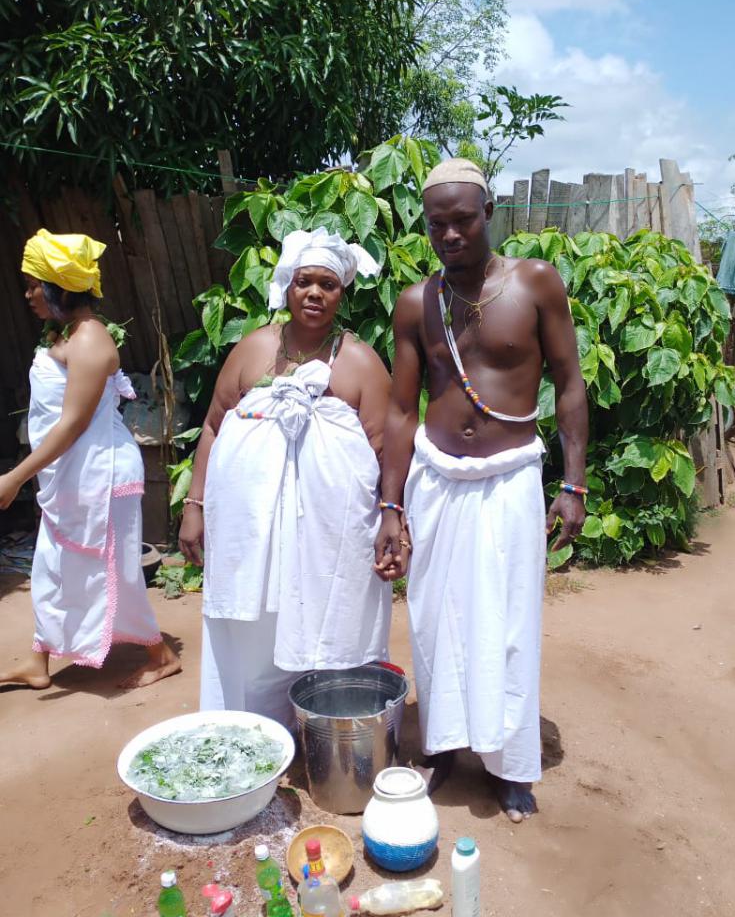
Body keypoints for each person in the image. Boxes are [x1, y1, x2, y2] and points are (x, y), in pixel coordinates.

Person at [374, 158, 588, 822]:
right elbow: (401, 411)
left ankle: (508, 763)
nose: (450, 235)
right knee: (434, 618)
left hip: (510, 476)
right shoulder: (417, 303)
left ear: (488, 212)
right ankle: (442, 746)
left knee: (510, 623)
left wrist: (573, 482)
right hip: (436, 476)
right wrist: (391, 506)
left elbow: (570, 383)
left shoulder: (535, 283)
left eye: (463, 220)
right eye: (437, 224)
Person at [179, 228, 393, 726]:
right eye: (304, 282)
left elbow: (385, 450)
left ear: (342, 293)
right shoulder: (253, 348)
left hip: (328, 536)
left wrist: (392, 520)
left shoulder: (360, 361)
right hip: (250, 533)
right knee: (253, 628)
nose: (315, 293)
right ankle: (255, 729)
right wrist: (195, 504)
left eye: (328, 284)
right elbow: (213, 426)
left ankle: (330, 731)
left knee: (328, 621)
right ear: (288, 286)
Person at [0, 229, 180, 689]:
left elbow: (72, 424)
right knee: (52, 562)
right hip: (71, 472)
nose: (28, 295)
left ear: (60, 287)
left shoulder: (90, 341)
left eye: (34, 285)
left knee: (114, 569)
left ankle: (159, 654)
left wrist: (15, 477)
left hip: (104, 473)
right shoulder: (67, 333)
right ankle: (39, 660)